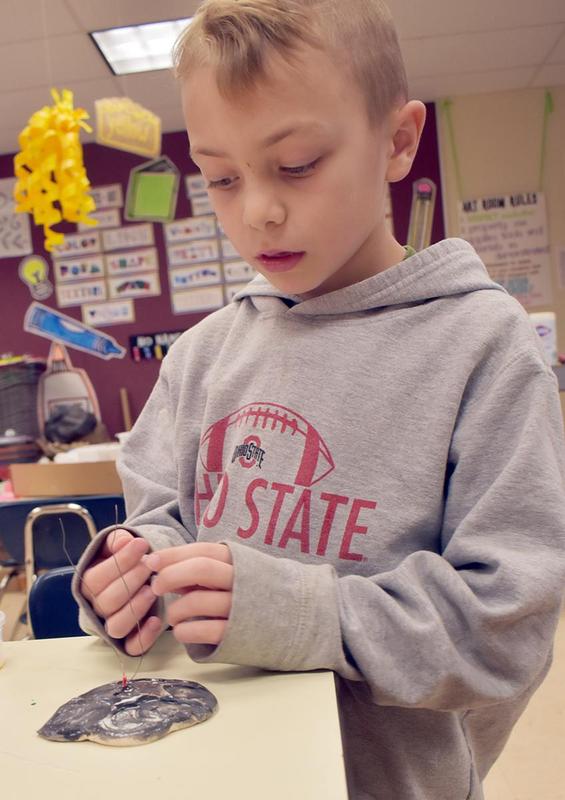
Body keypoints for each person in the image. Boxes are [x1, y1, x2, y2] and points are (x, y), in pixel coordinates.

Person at [72, 1, 565, 798]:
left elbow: (503, 627)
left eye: (296, 163)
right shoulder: (201, 356)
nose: (257, 210)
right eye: (221, 178)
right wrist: (126, 581)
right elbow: (158, 521)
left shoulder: (482, 346)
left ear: (397, 142)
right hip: (212, 773)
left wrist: (301, 614)